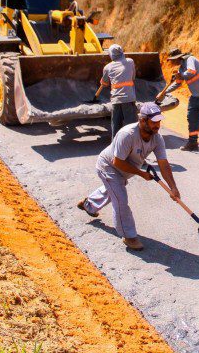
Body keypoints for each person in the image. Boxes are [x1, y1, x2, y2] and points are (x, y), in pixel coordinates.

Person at [77, 102, 180, 251]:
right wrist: (141, 173)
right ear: (142, 120)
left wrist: (173, 188)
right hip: (109, 166)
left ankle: (89, 204)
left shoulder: (157, 139)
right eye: (153, 122)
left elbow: (163, 164)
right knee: (120, 199)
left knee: (112, 190)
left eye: (159, 121)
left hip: (126, 169)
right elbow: (117, 161)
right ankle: (129, 236)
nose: (157, 125)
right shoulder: (128, 134)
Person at [156, 48, 199, 155]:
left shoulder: (190, 60)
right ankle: (193, 142)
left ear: (178, 58)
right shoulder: (181, 68)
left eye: (173, 60)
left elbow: (191, 72)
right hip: (195, 96)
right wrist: (164, 92)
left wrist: (181, 75)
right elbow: (177, 83)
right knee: (192, 117)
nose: (172, 62)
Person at [94, 44, 137, 138]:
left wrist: (104, 81)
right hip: (129, 99)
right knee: (132, 127)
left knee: (116, 127)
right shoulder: (130, 62)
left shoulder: (107, 67)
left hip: (116, 101)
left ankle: (115, 148)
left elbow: (105, 83)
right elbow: (133, 77)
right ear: (122, 52)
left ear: (111, 55)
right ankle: (133, 146)